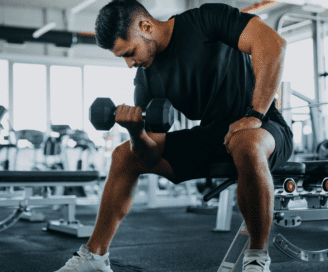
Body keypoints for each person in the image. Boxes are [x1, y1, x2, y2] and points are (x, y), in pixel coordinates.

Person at [56, 1, 292, 271]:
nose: (129, 63)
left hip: (265, 127)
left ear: (146, 26)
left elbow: (272, 44)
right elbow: (149, 154)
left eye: (130, 52)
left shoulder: (206, 20)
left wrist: (255, 114)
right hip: (213, 136)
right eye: (122, 57)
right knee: (124, 155)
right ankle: (94, 257)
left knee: (246, 141)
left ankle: (257, 258)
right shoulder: (146, 79)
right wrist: (135, 132)